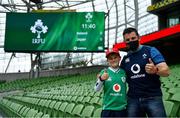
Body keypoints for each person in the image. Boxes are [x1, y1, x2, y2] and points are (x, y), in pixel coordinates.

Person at [120, 27, 170, 117]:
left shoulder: (150, 50)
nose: (131, 41)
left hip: (153, 97)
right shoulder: (125, 59)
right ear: (125, 42)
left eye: (133, 38)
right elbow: (118, 75)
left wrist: (155, 70)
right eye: (127, 40)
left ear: (139, 38)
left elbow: (166, 71)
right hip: (133, 99)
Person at [94, 48, 127, 117]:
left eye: (115, 57)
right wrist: (101, 79)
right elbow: (96, 89)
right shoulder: (104, 72)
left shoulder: (124, 72)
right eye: (110, 58)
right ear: (107, 60)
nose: (113, 60)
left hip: (122, 109)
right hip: (108, 109)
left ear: (119, 58)